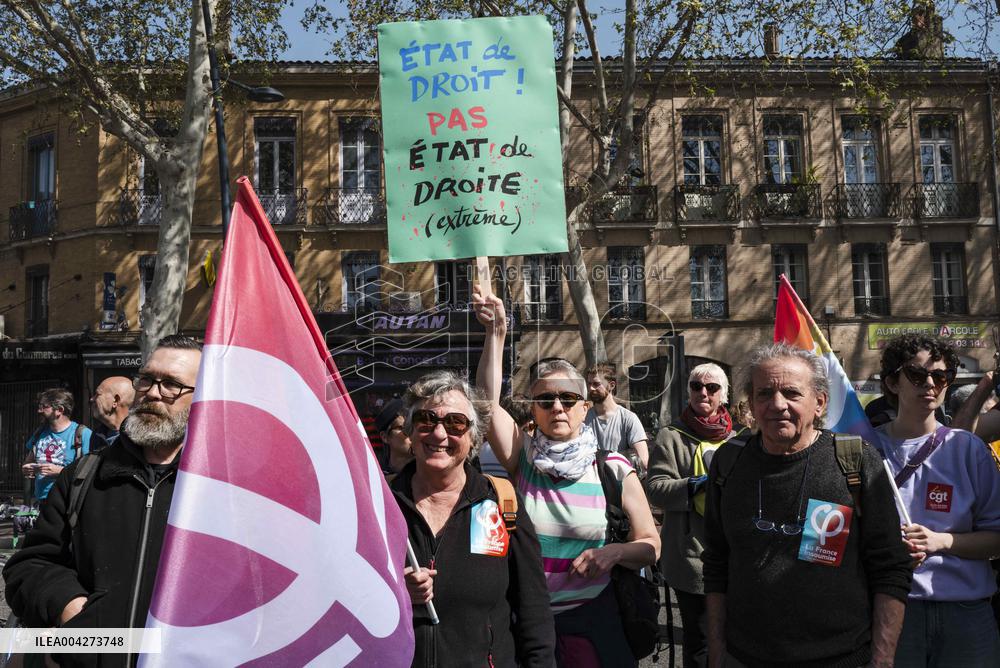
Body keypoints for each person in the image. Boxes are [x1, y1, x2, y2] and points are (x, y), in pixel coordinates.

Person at [473, 287, 660, 667]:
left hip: (594, 618)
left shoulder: (613, 468)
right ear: (534, 409)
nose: (557, 406)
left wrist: (612, 553)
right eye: (546, 400)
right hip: (528, 618)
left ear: (585, 407)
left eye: (568, 399)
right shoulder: (524, 456)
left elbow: (651, 545)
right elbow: (486, 404)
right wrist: (496, 332)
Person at [702, 343, 912, 668]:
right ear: (752, 404)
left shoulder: (855, 461)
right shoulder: (729, 462)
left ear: (820, 403)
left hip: (842, 659)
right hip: (744, 658)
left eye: (791, 393)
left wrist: (882, 660)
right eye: (764, 394)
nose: (777, 404)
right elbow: (716, 562)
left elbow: (890, 566)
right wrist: (716, 652)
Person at [5, 334, 202, 653]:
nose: (153, 392)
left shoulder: (222, 491)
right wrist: (70, 609)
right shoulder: (84, 475)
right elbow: (29, 566)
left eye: (171, 384)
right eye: (147, 379)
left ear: (203, 396)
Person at [392, 371, 555, 667]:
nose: (439, 434)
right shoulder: (381, 505)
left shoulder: (502, 503)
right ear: (411, 432)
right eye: (426, 420)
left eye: (455, 423)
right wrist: (396, 592)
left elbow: (534, 612)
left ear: (474, 437)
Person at [873, 334, 1000, 665]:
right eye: (916, 374)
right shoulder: (865, 450)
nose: (930, 384)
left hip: (965, 614)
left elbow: (996, 538)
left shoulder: (969, 449)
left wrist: (940, 541)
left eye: (940, 376)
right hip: (893, 608)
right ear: (892, 382)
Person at [646, 363, 748, 668]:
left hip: (737, 556)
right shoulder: (671, 436)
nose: (703, 392)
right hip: (691, 558)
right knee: (700, 640)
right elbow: (656, 489)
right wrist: (696, 485)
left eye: (712, 387)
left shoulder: (742, 437)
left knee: (738, 638)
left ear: (724, 395)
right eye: (696, 386)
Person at [23, 388, 94, 502]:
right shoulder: (40, 433)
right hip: (41, 501)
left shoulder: (83, 434)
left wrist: (61, 471)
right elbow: (28, 461)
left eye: (44, 406)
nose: (39, 411)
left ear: (59, 410)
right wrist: (27, 468)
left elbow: (91, 471)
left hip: (67, 501)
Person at [584, 362, 649, 472]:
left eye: (596, 384)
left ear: (612, 385)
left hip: (621, 479)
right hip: (591, 479)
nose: (591, 388)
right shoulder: (583, 418)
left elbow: (644, 462)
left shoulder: (628, 418)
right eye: (589, 383)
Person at [89, 375, 135, 448]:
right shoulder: (97, 435)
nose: (92, 399)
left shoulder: (137, 439)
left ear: (115, 400)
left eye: (97, 394)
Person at [375, 397, 412, 478]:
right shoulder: (376, 478)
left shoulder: (432, 473)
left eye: (414, 427)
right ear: (385, 437)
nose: (412, 433)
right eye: (405, 428)